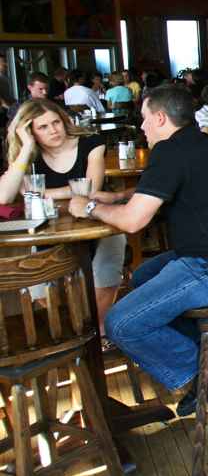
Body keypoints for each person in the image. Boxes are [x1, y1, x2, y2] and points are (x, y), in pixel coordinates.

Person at [70, 84, 208, 416]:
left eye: (144, 119)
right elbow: (157, 190)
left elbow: (132, 222)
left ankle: (206, 373)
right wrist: (115, 198)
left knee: (121, 323)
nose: (141, 127)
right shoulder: (194, 141)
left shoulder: (170, 151)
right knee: (142, 275)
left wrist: (88, 209)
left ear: (160, 117)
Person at [1, 99, 127, 337]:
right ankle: (75, 326)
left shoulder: (91, 142)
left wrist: (41, 193)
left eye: (56, 122)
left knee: (109, 254)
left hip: (95, 221)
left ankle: (99, 330)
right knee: (39, 279)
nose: (53, 131)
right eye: (42, 127)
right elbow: (5, 196)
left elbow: (89, 190)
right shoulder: (28, 152)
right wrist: (26, 147)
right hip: (49, 229)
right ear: (29, 131)